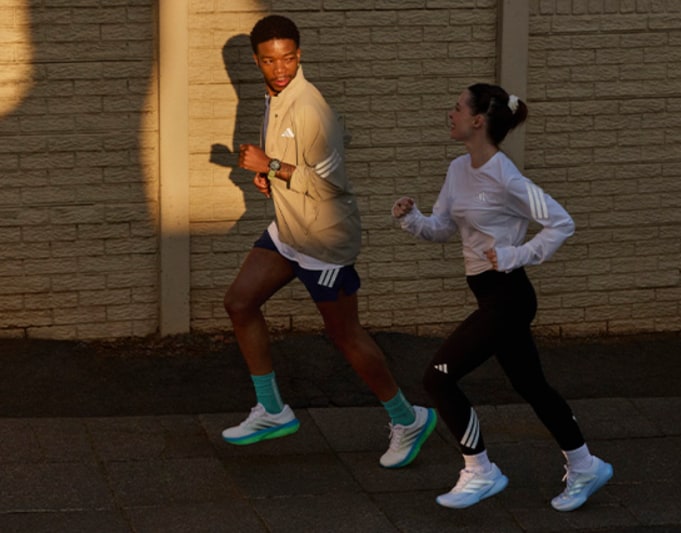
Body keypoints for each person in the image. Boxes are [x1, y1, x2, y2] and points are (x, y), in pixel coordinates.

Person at [223, 14, 436, 469]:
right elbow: (318, 156)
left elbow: (332, 185)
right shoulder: (275, 97)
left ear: (300, 56)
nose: (280, 68)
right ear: (256, 62)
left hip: (324, 240)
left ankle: (407, 418)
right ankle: (273, 410)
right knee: (240, 303)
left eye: (288, 58)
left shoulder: (308, 106)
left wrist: (271, 165)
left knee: (344, 335)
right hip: (290, 230)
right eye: (269, 60)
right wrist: (271, 176)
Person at [391, 83, 613, 509]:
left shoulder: (506, 176)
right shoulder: (459, 169)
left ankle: (480, 471)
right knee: (532, 385)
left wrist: (516, 253)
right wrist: (412, 218)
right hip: (489, 295)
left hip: (509, 296)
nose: (450, 113)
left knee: (437, 377)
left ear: (479, 120)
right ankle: (586, 466)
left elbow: (561, 222)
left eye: (457, 108)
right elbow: (442, 227)